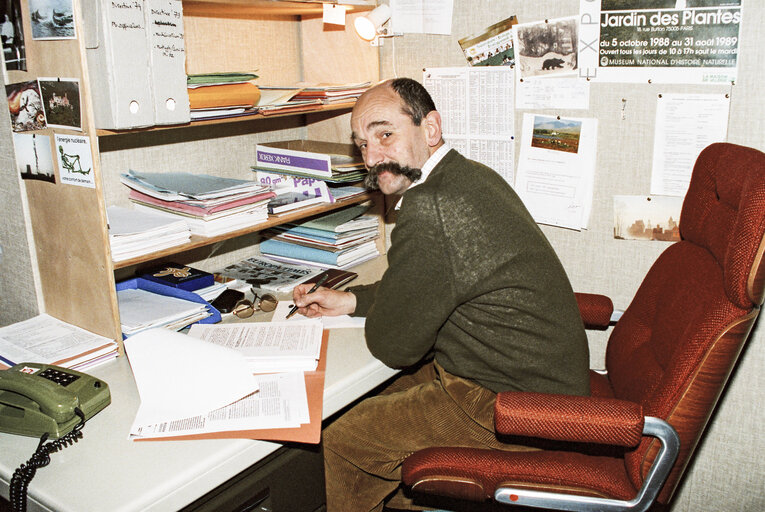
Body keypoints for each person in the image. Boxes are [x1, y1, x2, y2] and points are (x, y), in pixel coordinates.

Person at [291, 78, 590, 511]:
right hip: (537, 382)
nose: (372, 157)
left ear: (430, 129)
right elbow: (436, 284)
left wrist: (380, 314)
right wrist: (354, 301)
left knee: (341, 439)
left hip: (510, 407)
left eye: (385, 134)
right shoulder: (468, 175)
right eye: (361, 145)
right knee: (367, 403)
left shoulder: (431, 206)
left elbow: (394, 346)